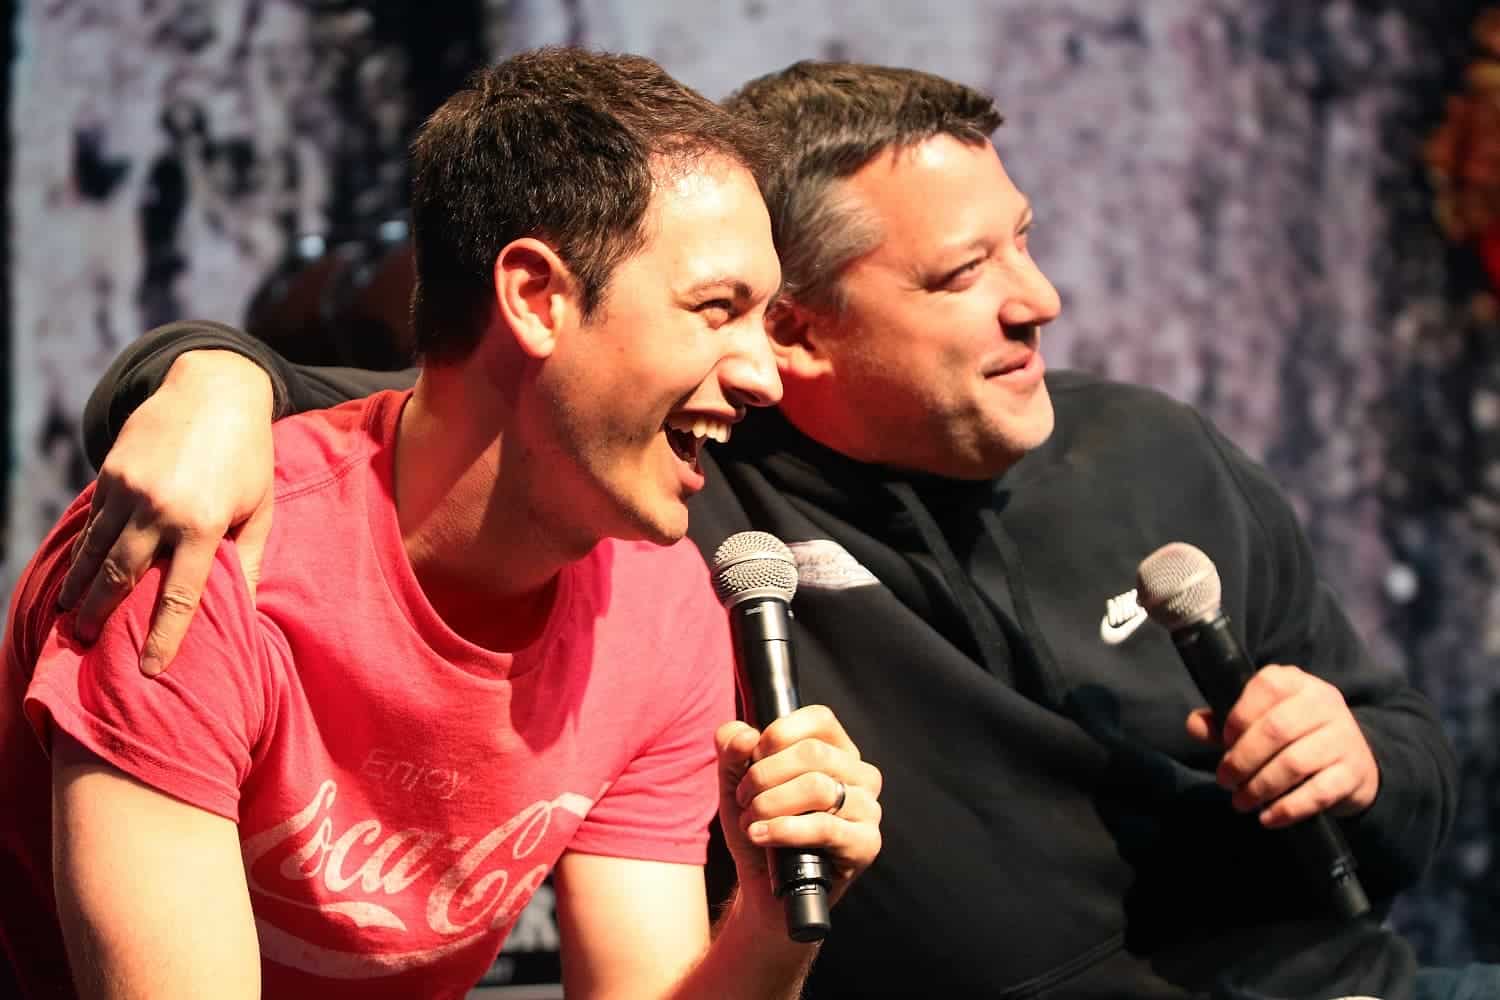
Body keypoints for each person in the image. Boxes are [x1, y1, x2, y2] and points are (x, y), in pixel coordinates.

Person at [61, 60, 1486, 999]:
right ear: (805, 337)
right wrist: (200, 373)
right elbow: (432, 418)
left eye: (1025, 241)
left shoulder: (1153, 453)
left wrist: (1366, 765)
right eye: (963, 270)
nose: (1039, 298)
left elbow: (1405, 763)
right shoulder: (674, 504)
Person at [0, 49, 885, 1000]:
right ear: (537, 297)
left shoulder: (661, 609)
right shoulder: (202, 550)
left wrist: (768, 923)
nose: (765, 375)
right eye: (718, 310)